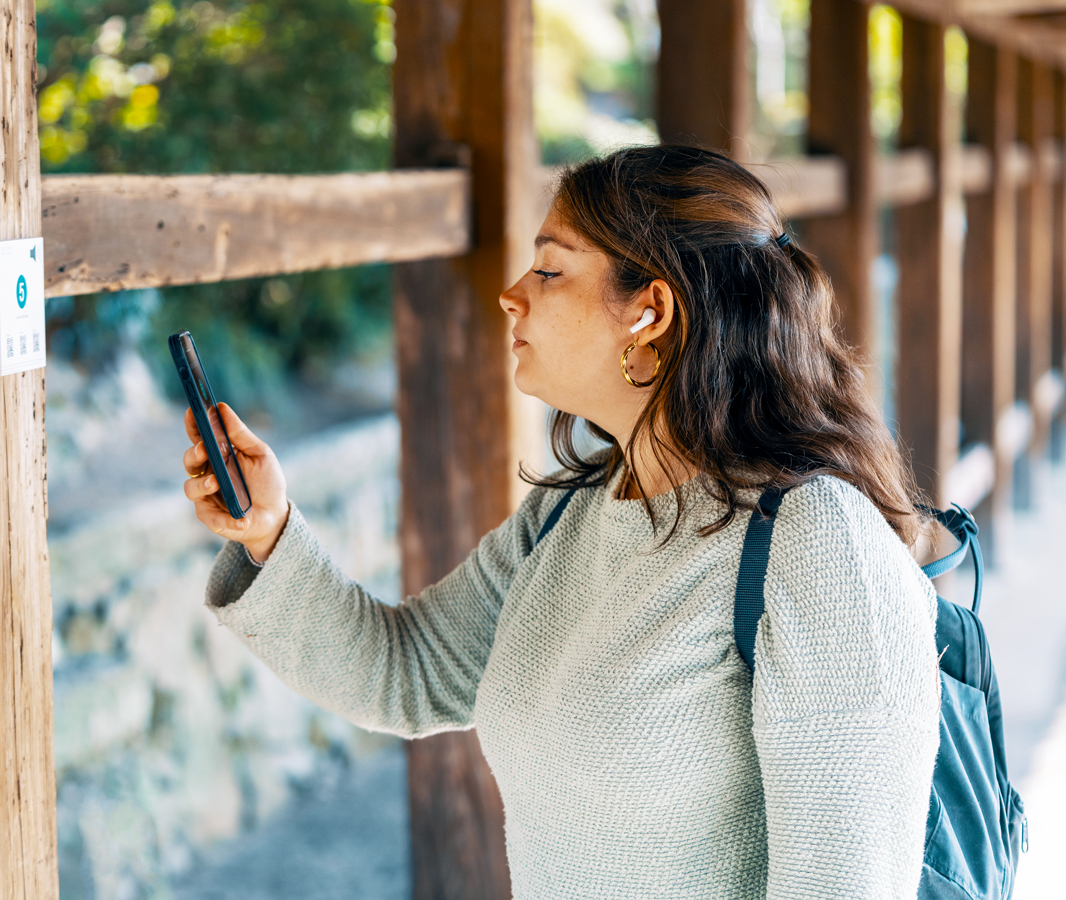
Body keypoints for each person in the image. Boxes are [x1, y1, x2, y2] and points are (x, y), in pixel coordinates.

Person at [180, 144, 940, 899]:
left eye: (549, 269)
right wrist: (269, 531)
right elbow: (405, 673)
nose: (512, 294)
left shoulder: (819, 542)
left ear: (650, 311)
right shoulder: (569, 513)